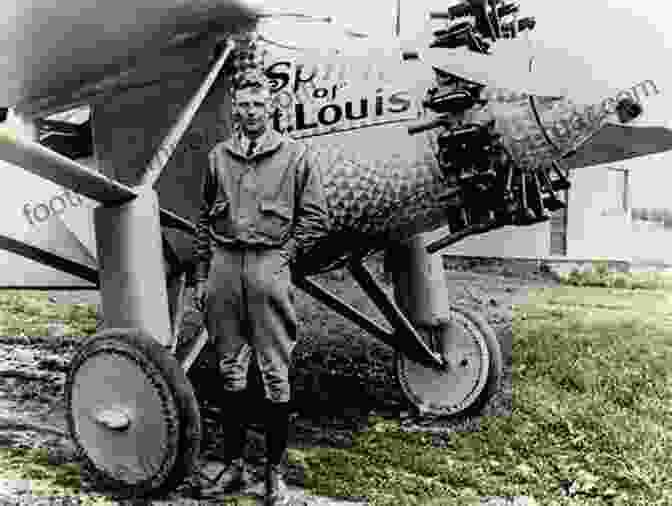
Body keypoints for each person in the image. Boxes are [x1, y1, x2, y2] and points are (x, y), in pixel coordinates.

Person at [188, 69, 330, 505]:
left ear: (272, 108)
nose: (251, 113)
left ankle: (273, 474)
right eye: (244, 105)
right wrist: (201, 275)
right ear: (236, 108)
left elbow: (316, 218)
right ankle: (233, 466)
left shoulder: (296, 157)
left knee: (274, 374)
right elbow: (204, 220)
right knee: (230, 370)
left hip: (269, 266)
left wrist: (283, 257)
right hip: (224, 269)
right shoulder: (219, 158)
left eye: (258, 105)